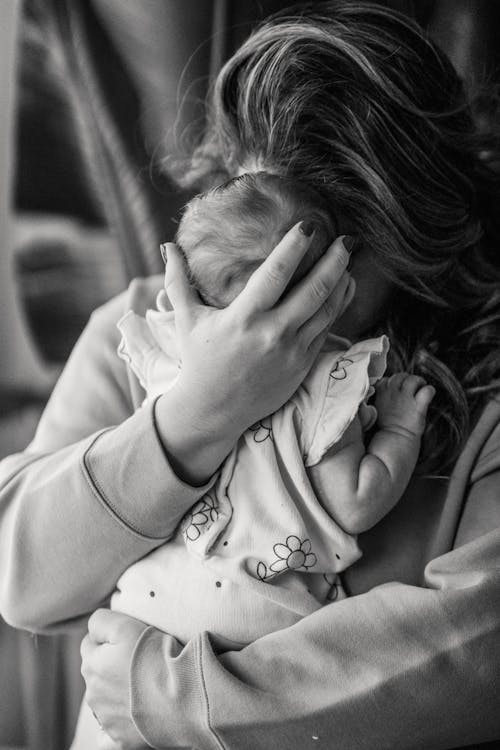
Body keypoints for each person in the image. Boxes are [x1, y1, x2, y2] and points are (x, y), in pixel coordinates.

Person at [1, 2, 499, 749]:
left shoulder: (473, 384)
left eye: (330, 257)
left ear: (413, 237)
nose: (272, 291)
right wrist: (196, 417)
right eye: (254, 228)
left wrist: (176, 696)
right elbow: (23, 579)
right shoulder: (140, 331)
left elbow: (477, 653)